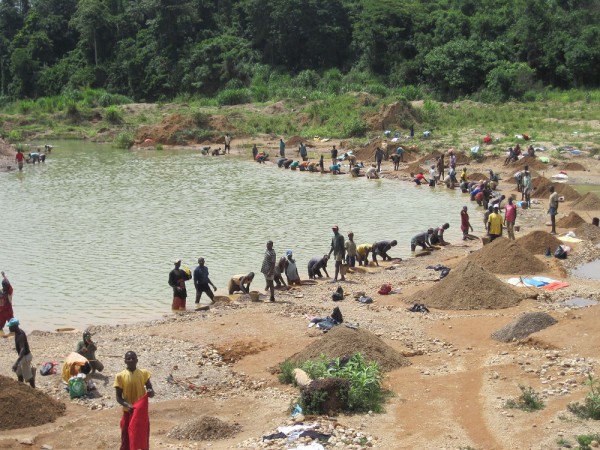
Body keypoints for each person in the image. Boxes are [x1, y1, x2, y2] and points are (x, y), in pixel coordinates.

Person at [114, 351, 154, 450]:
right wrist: (128, 405)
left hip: (141, 413)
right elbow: (118, 397)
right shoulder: (120, 376)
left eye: (133, 358)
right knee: (126, 438)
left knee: (142, 437)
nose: (131, 360)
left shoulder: (144, 373)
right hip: (128, 412)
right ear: (125, 361)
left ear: (137, 360)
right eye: (128, 358)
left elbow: (151, 391)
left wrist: (150, 392)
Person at [9, 318, 35, 388]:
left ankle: (34, 390)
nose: (9, 328)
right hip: (22, 357)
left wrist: (17, 362)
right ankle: (21, 388)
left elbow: (22, 349)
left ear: (15, 326)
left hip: (25, 357)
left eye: (10, 326)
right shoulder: (18, 332)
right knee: (18, 372)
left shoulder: (20, 335)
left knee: (28, 377)